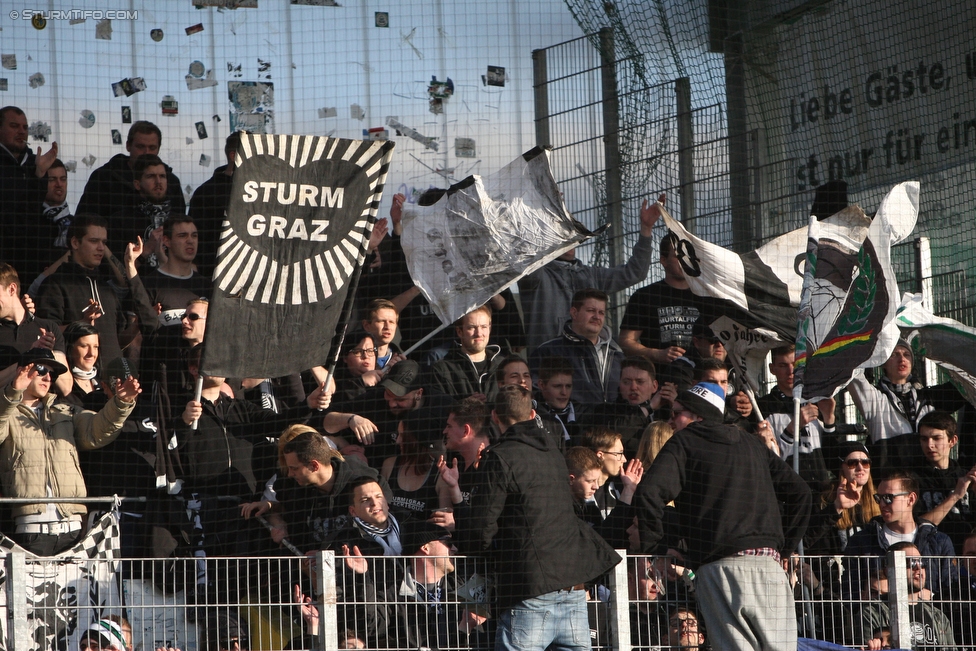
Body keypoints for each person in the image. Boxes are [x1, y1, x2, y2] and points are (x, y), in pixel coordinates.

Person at [634, 381, 812, 651]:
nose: (670, 420)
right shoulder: (751, 443)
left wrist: (656, 548)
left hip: (721, 569)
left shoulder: (685, 440)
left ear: (697, 416)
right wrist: (784, 550)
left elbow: (648, 492)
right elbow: (801, 492)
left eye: (676, 413)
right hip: (771, 568)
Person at [454, 384, 621, 651]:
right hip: (573, 587)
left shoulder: (499, 458)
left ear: (495, 416)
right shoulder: (554, 452)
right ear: (532, 415)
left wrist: (480, 550)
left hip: (530, 590)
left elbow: (481, 526)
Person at [0, 348, 140, 555]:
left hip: (74, 529)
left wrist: (121, 403)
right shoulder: (6, 411)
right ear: (22, 371)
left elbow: (97, 431)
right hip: (28, 529)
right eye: (40, 370)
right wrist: (12, 392)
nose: (48, 377)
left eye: (52, 374)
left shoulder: (66, 410)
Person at [518, 195, 663, 350]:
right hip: (548, 365)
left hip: (588, 360)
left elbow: (635, 272)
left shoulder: (591, 275)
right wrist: (544, 215)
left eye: (572, 231)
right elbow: (524, 255)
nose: (570, 237)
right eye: (562, 233)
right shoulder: (537, 275)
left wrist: (646, 229)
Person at [242, 427, 391, 553]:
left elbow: (386, 523)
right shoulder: (297, 487)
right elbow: (285, 509)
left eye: (294, 468)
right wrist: (271, 509)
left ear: (314, 466)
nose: (289, 474)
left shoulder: (363, 482)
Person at [848, 339, 968, 470]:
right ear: (883, 363)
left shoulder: (929, 397)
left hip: (930, 482)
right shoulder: (875, 400)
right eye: (894, 355)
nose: (902, 359)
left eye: (907, 354)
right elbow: (851, 372)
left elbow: (968, 382)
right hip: (893, 482)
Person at [35, 215, 129, 366]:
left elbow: (119, 340)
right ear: (75, 242)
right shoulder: (55, 284)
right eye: (93, 241)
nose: (101, 248)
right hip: (75, 383)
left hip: (113, 382)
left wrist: (138, 325)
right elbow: (45, 334)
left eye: (104, 242)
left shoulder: (107, 289)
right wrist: (81, 324)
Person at [844, 471, 956, 596]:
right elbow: (849, 591)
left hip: (927, 614)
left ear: (911, 499)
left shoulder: (938, 541)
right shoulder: (862, 541)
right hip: (877, 614)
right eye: (878, 498)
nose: (881, 504)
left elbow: (951, 591)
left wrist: (928, 597)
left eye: (888, 498)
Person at [618, 230, 713, 372]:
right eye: (678, 256)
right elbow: (626, 342)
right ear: (663, 260)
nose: (684, 261)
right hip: (660, 379)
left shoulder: (708, 297)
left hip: (703, 379)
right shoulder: (645, 296)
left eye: (689, 256)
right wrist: (656, 354)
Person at [758, 344, 837, 490]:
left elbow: (831, 456)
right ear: (772, 369)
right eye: (783, 365)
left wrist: (829, 419)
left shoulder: (818, 400)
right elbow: (768, 460)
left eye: (795, 364)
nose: (790, 371)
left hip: (821, 489)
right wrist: (793, 428)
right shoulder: (763, 407)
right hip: (787, 492)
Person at [853, 542, 959, 650]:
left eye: (922, 562)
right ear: (889, 570)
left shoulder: (937, 616)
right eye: (910, 563)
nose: (918, 567)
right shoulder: (872, 612)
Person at [529, 289, 623, 404]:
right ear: (574, 313)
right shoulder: (547, 351)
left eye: (601, 312)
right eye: (591, 310)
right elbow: (536, 393)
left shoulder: (616, 354)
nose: (597, 317)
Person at [0, 105, 60, 286]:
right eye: (14, 126)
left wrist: (40, 175)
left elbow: (33, 211)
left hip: (29, 259)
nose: (21, 132)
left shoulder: (35, 164)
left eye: (25, 127)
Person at [77, 121, 185, 219]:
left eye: (152, 148)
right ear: (128, 146)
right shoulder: (103, 178)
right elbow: (84, 220)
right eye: (141, 147)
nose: (146, 152)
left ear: (159, 149)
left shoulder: (172, 182)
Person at [0, 263, 73, 396]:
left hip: (43, 414)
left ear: (11, 289)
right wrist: (31, 356)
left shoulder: (48, 328)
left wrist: (48, 353)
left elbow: (66, 387)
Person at [580, 356, 676, 457]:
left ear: (654, 386)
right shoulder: (604, 411)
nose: (633, 387)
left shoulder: (663, 412)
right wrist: (648, 408)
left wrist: (677, 408)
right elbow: (609, 440)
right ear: (620, 384)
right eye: (626, 382)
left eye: (640, 382)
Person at [913, 410, 976, 550]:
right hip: (931, 555)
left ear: (952, 441)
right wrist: (955, 496)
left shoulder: (965, 476)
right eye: (924, 439)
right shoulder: (912, 479)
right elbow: (919, 526)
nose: (929, 445)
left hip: (966, 558)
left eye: (936, 438)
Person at [804, 443, 881, 556]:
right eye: (852, 463)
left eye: (865, 462)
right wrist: (836, 507)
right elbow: (810, 541)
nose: (860, 468)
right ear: (841, 468)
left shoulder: (879, 499)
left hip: (872, 572)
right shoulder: (824, 501)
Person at [189, 131, 241, 277]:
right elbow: (197, 238)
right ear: (233, 156)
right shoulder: (206, 193)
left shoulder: (265, 191)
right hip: (215, 275)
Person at [428, 305, 503, 401]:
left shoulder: (503, 365)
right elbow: (438, 409)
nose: (479, 333)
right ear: (459, 332)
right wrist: (465, 406)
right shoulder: (442, 370)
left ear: (490, 328)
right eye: (472, 328)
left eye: (484, 327)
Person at [360, 298, 405, 370]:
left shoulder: (401, 362)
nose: (387, 327)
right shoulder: (356, 359)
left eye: (391, 322)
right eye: (381, 321)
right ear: (366, 325)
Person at [42, 159, 73, 258]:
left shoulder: (76, 224)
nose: (59, 184)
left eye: (63, 179)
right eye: (52, 179)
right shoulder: (31, 221)